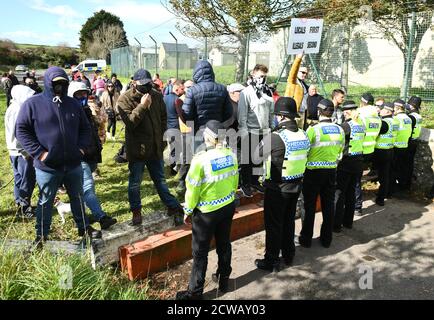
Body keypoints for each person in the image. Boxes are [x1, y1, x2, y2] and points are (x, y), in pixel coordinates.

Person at [15, 66, 102, 245]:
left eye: (63, 83)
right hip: (48, 167)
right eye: (55, 83)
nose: (59, 87)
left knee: (78, 198)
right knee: (45, 201)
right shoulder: (33, 104)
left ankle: (84, 228)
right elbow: (22, 130)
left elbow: (85, 128)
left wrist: (81, 149)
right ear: (47, 83)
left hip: (73, 164)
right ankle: (41, 235)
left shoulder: (73, 104)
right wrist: (40, 153)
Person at [176, 121, 238, 300]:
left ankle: (194, 294)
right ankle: (224, 279)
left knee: (200, 253)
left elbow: (192, 189)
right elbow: (234, 182)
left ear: (209, 137)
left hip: (206, 213)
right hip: (227, 207)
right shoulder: (231, 155)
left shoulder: (200, 159)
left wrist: (187, 210)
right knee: (224, 244)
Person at [117, 69, 183, 225]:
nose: (147, 87)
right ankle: (136, 211)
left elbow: (163, 118)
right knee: (135, 182)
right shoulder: (124, 99)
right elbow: (130, 123)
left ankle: (172, 205)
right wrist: (142, 106)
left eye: (149, 84)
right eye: (143, 84)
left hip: (155, 147)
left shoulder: (157, 95)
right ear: (134, 83)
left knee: (160, 179)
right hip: (138, 149)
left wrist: (162, 140)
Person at [255, 97, 310, 271]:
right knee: (288, 221)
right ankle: (289, 254)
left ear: (280, 116)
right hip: (296, 186)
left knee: (274, 225)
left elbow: (256, 156)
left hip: (277, 189)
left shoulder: (275, 137)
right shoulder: (304, 134)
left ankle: (271, 260)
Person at [67, 82, 118, 229]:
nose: (82, 97)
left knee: (83, 189)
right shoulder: (69, 113)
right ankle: (101, 217)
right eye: (78, 94)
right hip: (80, 156)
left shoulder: (86, 110)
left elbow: (93, 130)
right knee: (88, 187)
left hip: (92, 154)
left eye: (84, 94)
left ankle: (82, 215)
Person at [299, 99, 345, 248]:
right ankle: (327, 239)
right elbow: (340, 152)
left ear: (319, 112)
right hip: (331, 172)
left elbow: (304, 150)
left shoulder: (313, 129)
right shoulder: (340, 130)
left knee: (309, 206)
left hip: (312, 173)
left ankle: (306, 239)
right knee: (328, 205)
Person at [237, 64, 274, 197]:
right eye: (260, 76)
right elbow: (242, 114)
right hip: (250, 131)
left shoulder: (267, 91)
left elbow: (270, 112)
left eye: (264, 76)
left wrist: (271, 128)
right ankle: (245, 184)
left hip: (264, 131)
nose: (262, 79)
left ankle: (254, 181)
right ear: (253, 74)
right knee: (247, 160)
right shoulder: (246, 92)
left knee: (259, 159)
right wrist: (244, 131)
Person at [333, 101, 366, 233]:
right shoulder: (361, 124)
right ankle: (348, 222)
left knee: (340, 193)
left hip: (346, 163)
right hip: (358, 162)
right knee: (351, 192)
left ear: (346, 112)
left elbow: (336, 138)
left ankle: (336, 225)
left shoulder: (346, 126)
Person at [5, 85, 36, 219]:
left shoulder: (12, 107)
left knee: (19, 178)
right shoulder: (18, 109)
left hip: (13, 150)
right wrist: (26, 152)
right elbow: (19, 133)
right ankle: (25, 206)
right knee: (27, 179)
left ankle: (20, 203)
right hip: (21, 151)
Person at [183, 60, 233, 141]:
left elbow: (186, 114)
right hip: (217, 130)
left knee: (200, 152)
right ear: (211, 72)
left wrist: (195, 124)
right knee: (218, 152)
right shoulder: (222, 89)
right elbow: (229, 112)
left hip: (199, 130)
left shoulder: (192, 90)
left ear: (196, 73)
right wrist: (218, 121)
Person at [354, 93, 382, 215]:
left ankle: (357, 207)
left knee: (355, 181)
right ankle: (355, 205)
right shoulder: (377, 117)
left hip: (358, 150)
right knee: (357, 178)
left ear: (362, 102)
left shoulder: (359, 113)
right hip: (370, 151)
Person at [372, 102, 396, 206]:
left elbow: (375, 133)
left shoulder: (384, 123)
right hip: (390, 150)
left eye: (381, 109)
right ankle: (384, 196)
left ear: (387, 111)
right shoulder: (394, 121)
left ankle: (380, 198)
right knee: (386, 174)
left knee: (382, 176)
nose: (379, 110)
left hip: (380, 152)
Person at [390, 99, 412, 195]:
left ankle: (392, 190)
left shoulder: (396, 119)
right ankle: (400, 188)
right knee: (401, 168)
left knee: (393, 170)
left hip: (396, 146)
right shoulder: (408, 118)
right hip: (405, 146)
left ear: (397, 107)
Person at [164, 79, 186, 175]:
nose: (184, 90)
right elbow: (182, 115)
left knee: (172, 147)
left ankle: (172, 167)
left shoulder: (164, 98)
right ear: (177, 88)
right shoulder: (178, 100)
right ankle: (173, 169)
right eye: (182, 88)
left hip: (167, 127)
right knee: (175, 149)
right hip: (175, 128)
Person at [284, 54, 309, 129]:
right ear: (297, 71)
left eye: (306, 73)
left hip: (302, 114)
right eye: (302, 72)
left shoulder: (303, 84)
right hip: (293, 113)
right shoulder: (293, 81)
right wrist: (298, 58)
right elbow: (292, 72)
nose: (304, 75)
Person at [406, 96, 423, 191]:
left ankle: (403, 186)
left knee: (405, 165)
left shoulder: (411, 117)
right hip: (415, 142)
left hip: (409, 142)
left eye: (409, 104)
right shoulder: (418, 115)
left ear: (413, 106)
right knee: (409, 164)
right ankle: (407, 185)